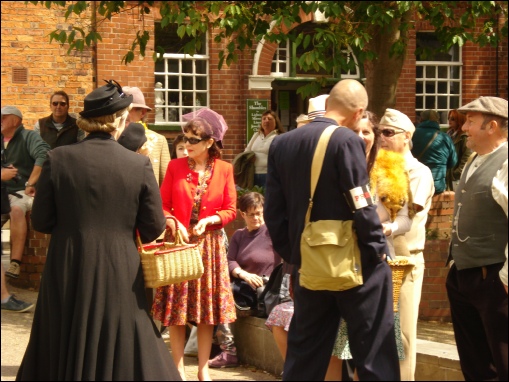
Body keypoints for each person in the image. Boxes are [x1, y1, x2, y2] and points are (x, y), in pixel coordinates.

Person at [15, 80, 181, 381]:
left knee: (63, 330)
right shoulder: (138, 165)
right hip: (119, 265)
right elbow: (153, 227)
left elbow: (41, 221)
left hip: (67, 263)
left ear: (86, 121)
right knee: (123, 333)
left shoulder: (57, 159)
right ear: (119, 119)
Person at [264, 79, 399, 381]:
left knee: (305, 354)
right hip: (357, 265)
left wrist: (296, 254)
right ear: (358, 112)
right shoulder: (345, 140)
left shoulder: (281, 143)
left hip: (309, 265)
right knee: (375, 354)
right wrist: (377, 249)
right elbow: (361, 201)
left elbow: (273, 211)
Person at [326, 111, 414, 380]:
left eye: (366, 132)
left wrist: (387, 228)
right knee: (341, 344)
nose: (360, 137)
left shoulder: (392, 169)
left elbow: (405, 218)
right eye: (355, 131)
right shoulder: (334, 165)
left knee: (376, 341)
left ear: (375, 136)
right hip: (340, 262)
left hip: (378, 261)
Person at [151, 107, 237, 381]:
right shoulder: (176, 167)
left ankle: (203, 369)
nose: (186, 144)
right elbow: (162, 205)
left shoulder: (225, 169)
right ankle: (177, 368)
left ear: (210, 142)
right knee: (177, 310)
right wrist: (172, 222)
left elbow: (231, 209)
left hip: (209, 247)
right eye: (184, 138)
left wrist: (211, 219)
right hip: (179, 244)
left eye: (193, 139)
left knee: (206, 312)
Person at [446, 96, 508, 381]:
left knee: (502, 361)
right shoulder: (473, 160)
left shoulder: (506, 162)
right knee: (475, 365)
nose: (464, 127)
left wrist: (506, 278)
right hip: (463, 274)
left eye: (471, 121)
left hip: (493, 277)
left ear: (492, 126)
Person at [379, 108, 435, 381]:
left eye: (388, 133)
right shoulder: (379, 168)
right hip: (378, 261)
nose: (381, 137)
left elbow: (407, 216)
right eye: (379, 132)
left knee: (401, 335)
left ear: (407, 136)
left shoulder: (419, 172)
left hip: (405, 261)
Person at [208, 191, 281, 369]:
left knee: (224, 296)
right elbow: (230, 261)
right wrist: (243, 274)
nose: (256, 218)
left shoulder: (273, 233)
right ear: (243, 215)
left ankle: (227, 350)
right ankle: (226, 349)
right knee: (218, 295)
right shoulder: (239, 236)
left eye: (259, 213)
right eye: (251, 214)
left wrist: (267, 280)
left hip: (265, 291)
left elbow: (285, 262)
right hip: (242, 289)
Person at [1, 106, 50, 279]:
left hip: (20, 192)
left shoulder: (28, 136)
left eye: (3, 118)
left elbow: (44, 155)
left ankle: (15, 263)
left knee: (16, 210)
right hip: (2, 192)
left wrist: (31, 182)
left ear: (15, 120)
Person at [122, 86, 171, 186]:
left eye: (128, 109)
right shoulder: (111, 138)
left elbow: (166, 183)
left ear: (142, 113)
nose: (123, 114)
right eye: (120, 109)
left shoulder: (158, 141)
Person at [411, 109, 457, 195]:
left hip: (415, 183)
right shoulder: (445, 138)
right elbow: (453, 162)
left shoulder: (411, 135)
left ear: (420, 120)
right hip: (437, 186)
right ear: (437, 121)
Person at [245, 110, 284, 188]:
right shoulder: (256, 135)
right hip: (253, 174)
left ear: (276, 121)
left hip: (269, 174)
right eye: (264, 119)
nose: (266, 121)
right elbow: (247, 151)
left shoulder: (279, 136)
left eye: (269, 119)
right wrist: (249, 157)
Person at [446, 109, 471, 191]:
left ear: (459, 120)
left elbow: (467, 156)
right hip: (447, 174)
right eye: (449, 118)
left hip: (456, 176)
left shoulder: (463, 136)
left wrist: (457, 173)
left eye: (453, 119)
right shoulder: (448, 134)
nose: (450, 121)